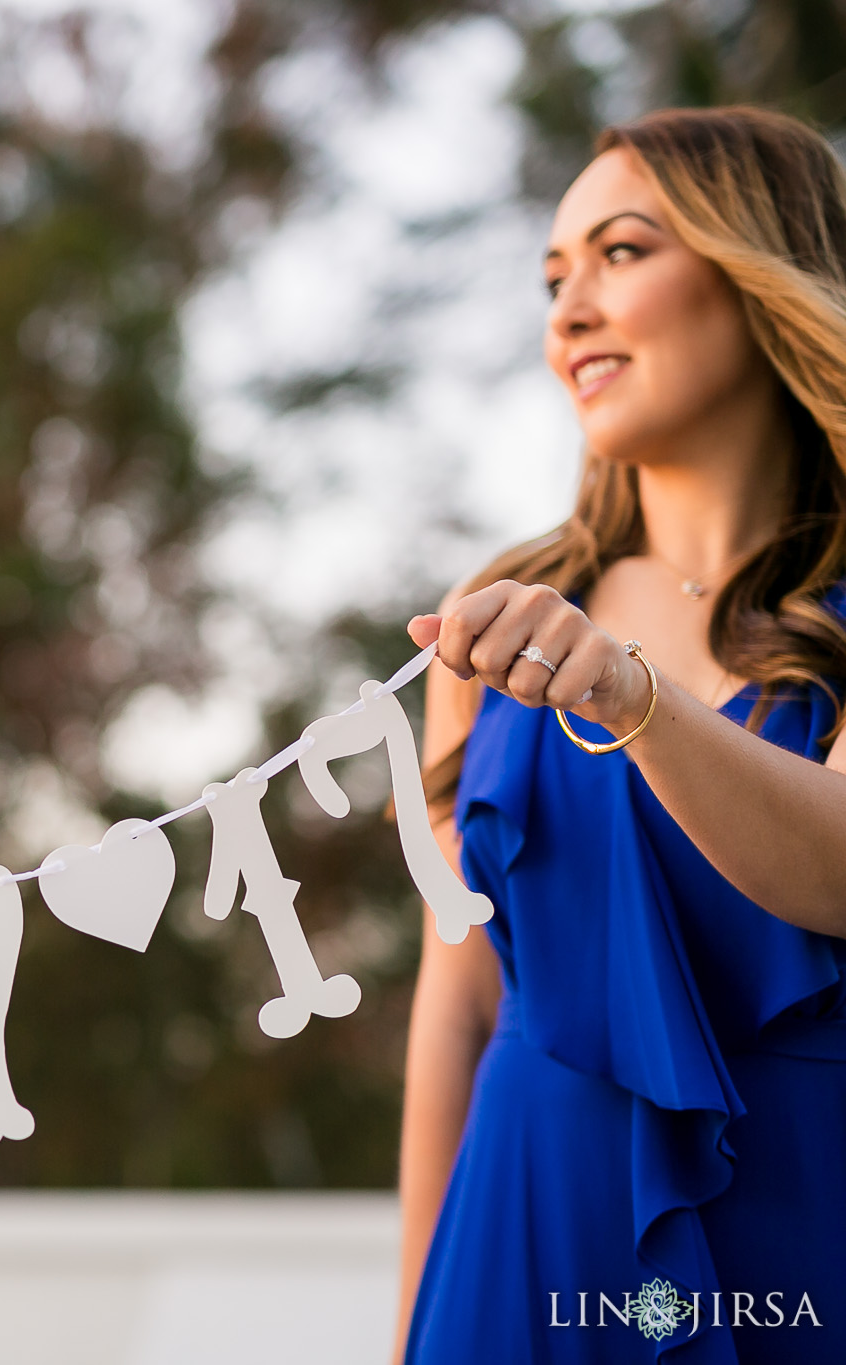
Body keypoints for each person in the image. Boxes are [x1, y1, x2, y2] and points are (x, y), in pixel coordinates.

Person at [396, 106, 846, 1362]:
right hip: (522, 1225)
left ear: (753, 267)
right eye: (551, 278)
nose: (567, 312)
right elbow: (454, 1009)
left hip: (805, 1234)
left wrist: (622, 694)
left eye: (620, 252)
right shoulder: (494, 628)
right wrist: (408, 1327)